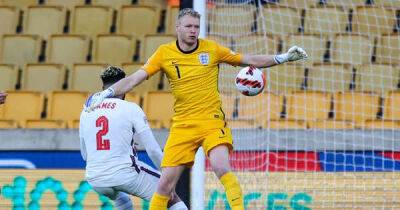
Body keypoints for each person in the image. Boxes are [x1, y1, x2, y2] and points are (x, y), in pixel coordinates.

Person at [85, 8, 308, 210]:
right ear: (178, 28)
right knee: (164, 185)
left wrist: (282, 58)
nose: (193, 31)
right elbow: (134, 79)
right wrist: (108, 92)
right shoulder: (164, 53)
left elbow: (247, 59)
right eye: (189, 26)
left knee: (221, 167)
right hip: (183, 125)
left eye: (196, 27)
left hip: (211, 121)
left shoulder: (212, 50)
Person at [79, 66, 187, 210]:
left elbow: (85, 155)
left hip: (95, 179)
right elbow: (153, 150)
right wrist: (168, 180)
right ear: (125, 87)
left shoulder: (86, 110)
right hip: (126, 174)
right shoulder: (130, 108)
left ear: (103, 87)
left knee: (122, 201)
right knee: (172, 198)